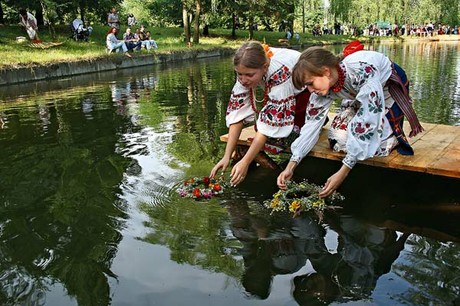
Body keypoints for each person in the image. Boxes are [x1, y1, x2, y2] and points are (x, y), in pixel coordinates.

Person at [277, 43, 424, 198]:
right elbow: (312, 125)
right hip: (357, 93)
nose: (310, 90)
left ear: (326, 71)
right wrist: (291, 166)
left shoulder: (362, 72)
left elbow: (367, 120)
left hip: (386, 89)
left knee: (375, 147)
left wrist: (343, 172)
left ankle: (392, 137)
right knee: (338, 139)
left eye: (310, 83)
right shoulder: (323, 86)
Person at [209, 41, 311, 186]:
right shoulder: (245, 73)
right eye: (239, 74)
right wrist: (226, 156)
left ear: (265, 67)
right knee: (265, 129)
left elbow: (268, 125)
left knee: (293, 133)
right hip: (279, 85)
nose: (243, 80)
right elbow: (237, 113)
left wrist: (245, 161)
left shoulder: (279, 75)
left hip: (302, 88)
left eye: (249, 75)